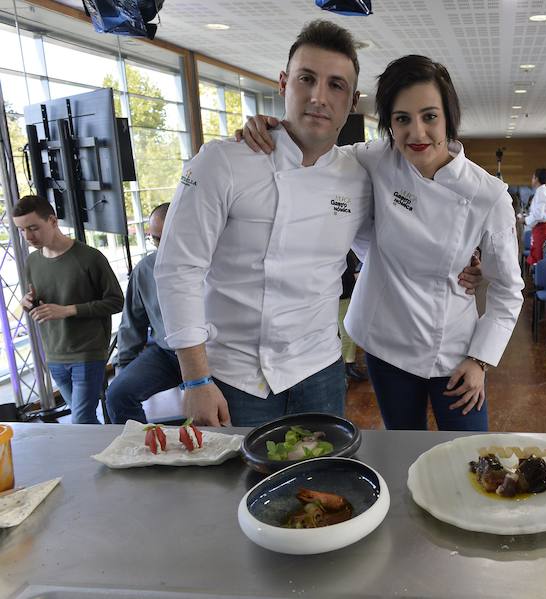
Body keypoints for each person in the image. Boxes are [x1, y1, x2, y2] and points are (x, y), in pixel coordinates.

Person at [157, 21, 481, 428]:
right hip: (233, 379)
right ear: (283, 83)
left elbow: (393, 237)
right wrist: (195, 379)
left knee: (323, 485)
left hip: (320, 373)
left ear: (352, 100)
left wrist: (461, 265)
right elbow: (177, 269)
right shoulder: (222, 162)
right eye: (306, 79)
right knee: (237, 489)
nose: (318, 97)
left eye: (335, 85)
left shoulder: (359, 172)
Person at [241, 54, 524, 431]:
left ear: (449, 117)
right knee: (401, 447)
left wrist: (481, 360)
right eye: (402, 119)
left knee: (468, 453)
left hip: (456, 349)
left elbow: (508, 290)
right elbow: (315, 155)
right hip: (387, 341)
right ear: (388, 123)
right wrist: (273, 131)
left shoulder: (488, 195)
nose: (417, 133)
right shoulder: (376, 159)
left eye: (430, 116)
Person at [13, 195, 124, 424]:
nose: (28, 237)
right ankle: (109, 454)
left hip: (87, 352)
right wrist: (27, 303)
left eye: (33, 228)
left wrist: (68, 310)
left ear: (53, 221)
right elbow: (40, 303)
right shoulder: (32, 262)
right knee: (83, 421)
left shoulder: (90, 258)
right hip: (54, 354)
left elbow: (116, 301)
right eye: (22, 230)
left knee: (81, 420)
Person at [105, 203, 182, 424]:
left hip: (215, 356)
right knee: (118, 394)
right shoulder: (146, 269)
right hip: (168, 354)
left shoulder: (217, 263)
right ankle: (138, 448)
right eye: (157, 239)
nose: (163, 245)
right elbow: (132, 324)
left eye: (169, 237)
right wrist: (124, 368)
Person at [339, 252, 367, 382]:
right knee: (347, 334)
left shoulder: (346, 249)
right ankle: (345, 368)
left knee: (347, 333)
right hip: (341, 295)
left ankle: (348, 364)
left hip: (347, 293)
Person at [523, 168, 546, 265]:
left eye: (533, 177)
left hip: (543, 229)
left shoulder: (541, 192)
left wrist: (525, 220)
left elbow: (539, 215)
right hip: (540, 228)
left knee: (539, 257)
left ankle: (539, 278)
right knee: (537, 255)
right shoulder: (541, 191)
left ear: (536, 178)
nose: (532, 179)